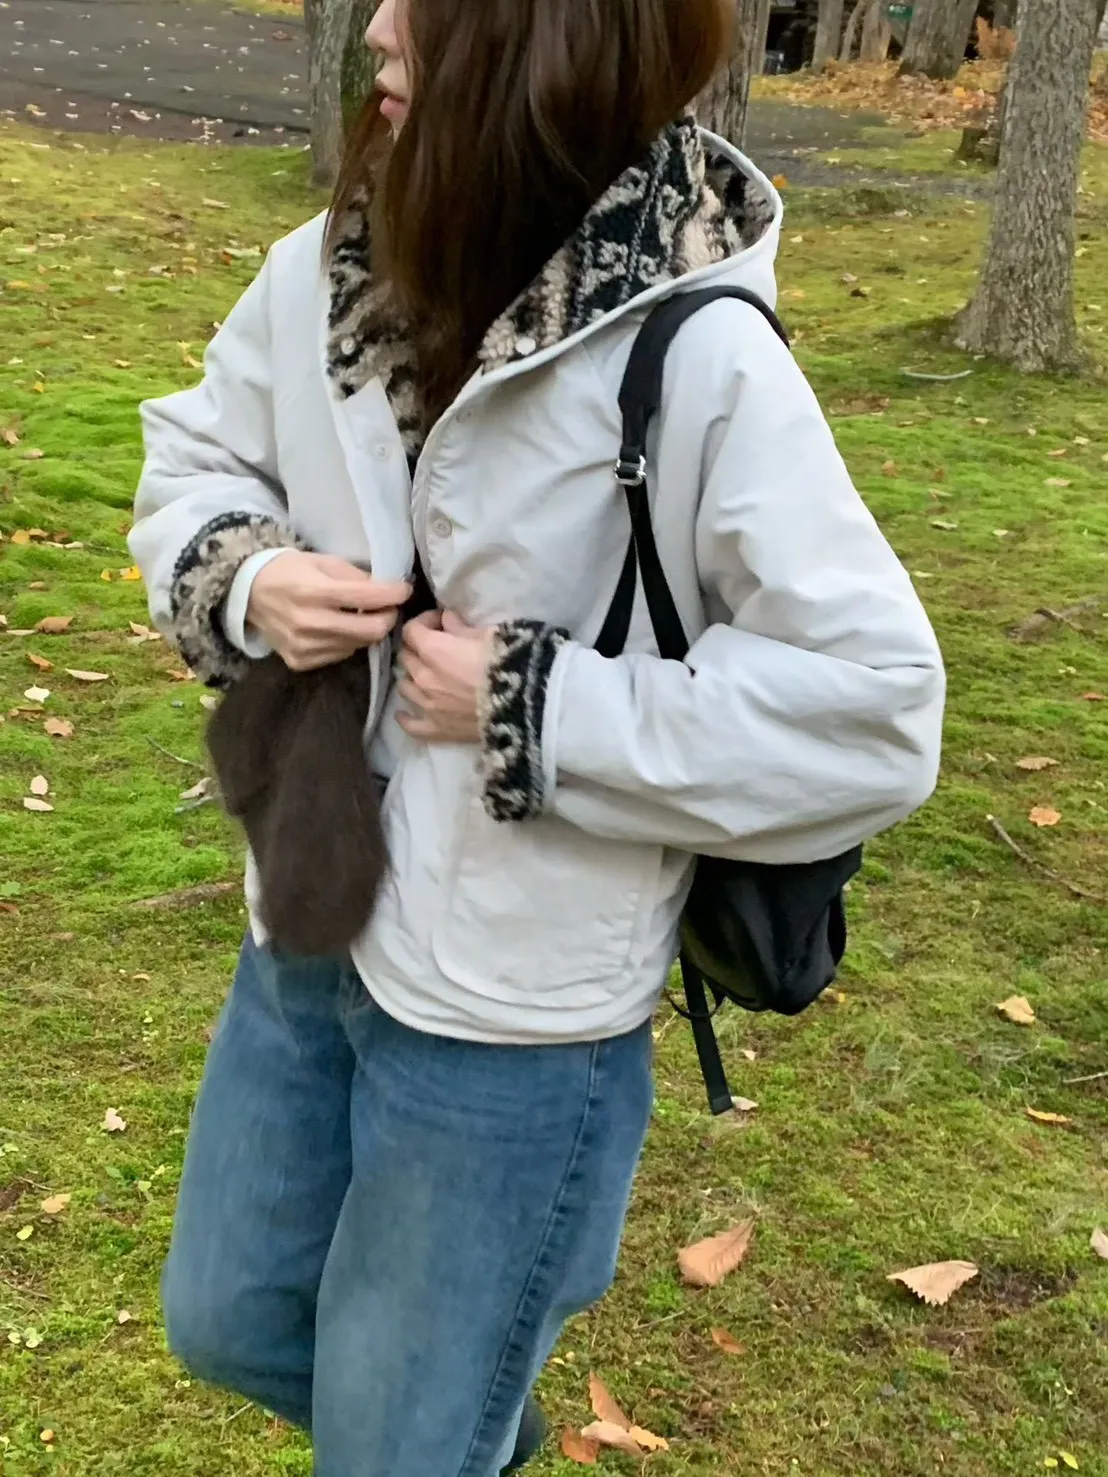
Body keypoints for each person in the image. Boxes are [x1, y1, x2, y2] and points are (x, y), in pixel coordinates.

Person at [128, 0, 945, 1472]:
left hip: (514, 1019)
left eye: (420, 4)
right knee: (229, 1318)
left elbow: (875, 706)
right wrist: (245, 577)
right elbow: (199, 447)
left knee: (398, 1441)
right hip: (310, 916)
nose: (379, 29)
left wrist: (534, 706)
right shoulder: (329, 267)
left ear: (539, 38)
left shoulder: (696, 352)